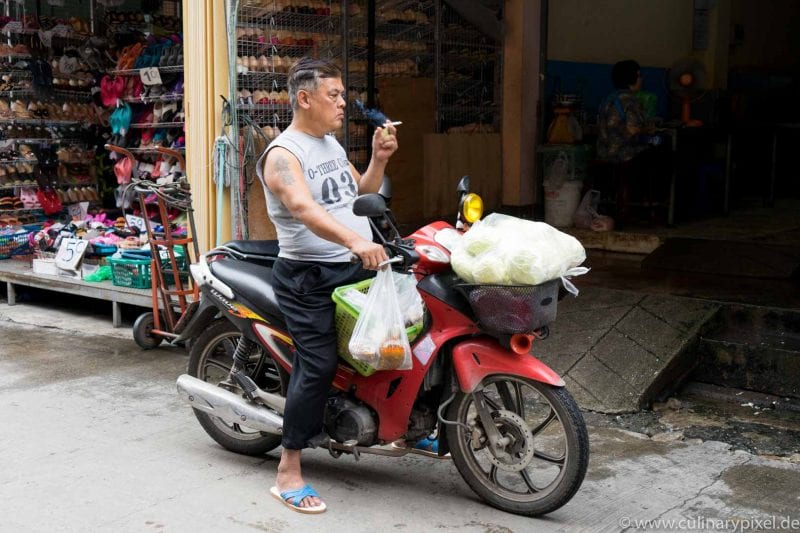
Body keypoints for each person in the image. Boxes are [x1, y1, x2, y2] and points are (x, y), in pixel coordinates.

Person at [256, 57, 398, 514]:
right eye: (334, 95)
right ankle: (289, 469)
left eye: (342, 94)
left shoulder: (330, 145)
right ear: (304, 98)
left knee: (397, 331)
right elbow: (303, 208)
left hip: (347, 266)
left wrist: (378, 159)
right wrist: (357, 241)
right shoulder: (283, 154)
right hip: (307, 278)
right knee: (316, 364)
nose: (343, 103)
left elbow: (359, 196)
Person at [596, 60, 666, 222]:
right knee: (662, 157)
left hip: (603, 153)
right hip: (623, 155)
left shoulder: (608, 99)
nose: (642, 79)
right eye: (639, 75)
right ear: (632, 78)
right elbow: (633, 129)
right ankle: (650, 206)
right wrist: (650, 129)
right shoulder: (630, 100)